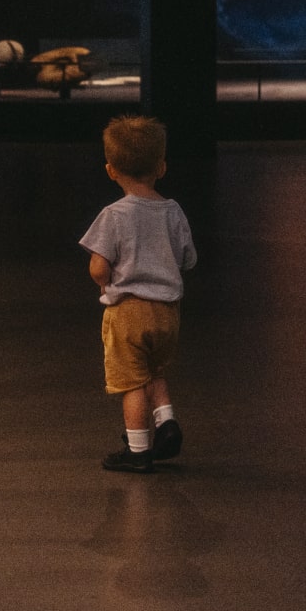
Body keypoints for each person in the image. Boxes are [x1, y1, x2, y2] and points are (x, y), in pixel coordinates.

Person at [79, 114, 196, 473]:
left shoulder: (113, 215)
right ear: (161, 167)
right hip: (167, 313)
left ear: (111, 170)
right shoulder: (173, 211)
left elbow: (99, 266)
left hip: (128, 312)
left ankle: (138, 450)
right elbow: (188, 259)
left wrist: (102, 280)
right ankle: (167, 423)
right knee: (154, 371)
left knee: (131, 383)